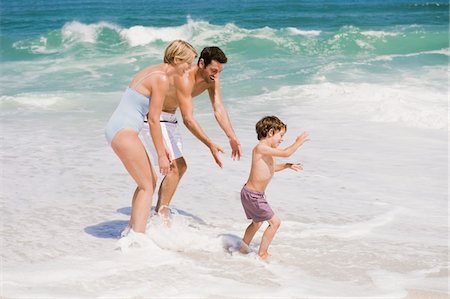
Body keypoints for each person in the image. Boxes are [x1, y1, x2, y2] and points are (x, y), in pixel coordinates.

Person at [105, 40, 198, 234]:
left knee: (147, 183)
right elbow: (154, 119)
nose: (190, 68)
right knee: (148, 185)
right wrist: (162, 155)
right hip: (123, 131)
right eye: (188, 63)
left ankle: (133, 230)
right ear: (176, 59)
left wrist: (162, 149)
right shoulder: (162, 79)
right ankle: (138, 236)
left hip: (119, 128)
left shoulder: (156, 72)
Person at [139, 46, 241, 219]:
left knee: (180, 167)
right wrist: (210, 144)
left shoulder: (212, 80)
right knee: (175, 167)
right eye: (214, 70)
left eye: (220, 71)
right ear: (201, 63)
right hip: (154, 119)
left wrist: (231, 136)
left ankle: (159, 213)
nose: (216, 76)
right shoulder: (185, 78)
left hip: (170, 120)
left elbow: (218, 108)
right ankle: (160, 215)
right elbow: (188, 119)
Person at [239, 116, 309, 259]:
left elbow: (271, 168)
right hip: (253, 195)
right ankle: (262, 253)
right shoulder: (261, 148)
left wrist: (287, 166)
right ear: (270, 132)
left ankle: (242, 248)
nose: (282, 139)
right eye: (281, 135)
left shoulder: (266, 151)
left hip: (251, 194)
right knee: (275, 223)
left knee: (257, 223)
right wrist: (298, 142)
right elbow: (286, 153)